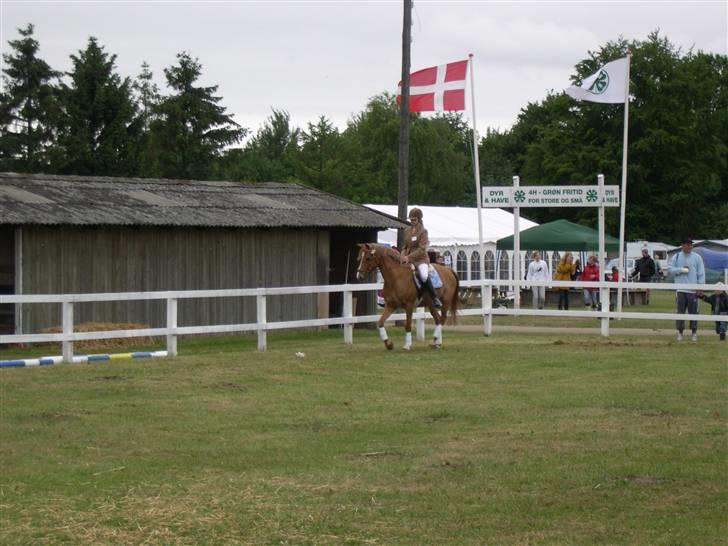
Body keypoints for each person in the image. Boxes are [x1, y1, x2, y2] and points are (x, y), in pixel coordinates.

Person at [666, 238, 705, 342]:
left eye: (691, 245)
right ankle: (680, 332)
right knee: (680, 312)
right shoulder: (677, 256)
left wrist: (700, 287)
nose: (689, 246)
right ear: (682, 245)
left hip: (693, 290)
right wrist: (681, 270)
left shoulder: (697, 257)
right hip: (680, 290)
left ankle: (694, 333)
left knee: (694, 313)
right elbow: (669, 269)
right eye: (687, 244)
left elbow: (701, 273)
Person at [400, 207, 441, 308]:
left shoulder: (423, 231)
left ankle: (434, 297)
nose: (412, 221)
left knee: (424, 276)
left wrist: (408, 257)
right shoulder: (407, 231)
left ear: (419, 219)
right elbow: (404, 246)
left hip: (420, 259)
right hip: (408, 258)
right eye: (411, 219)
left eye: (414, 220)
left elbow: (422, 249)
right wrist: (402, 256)